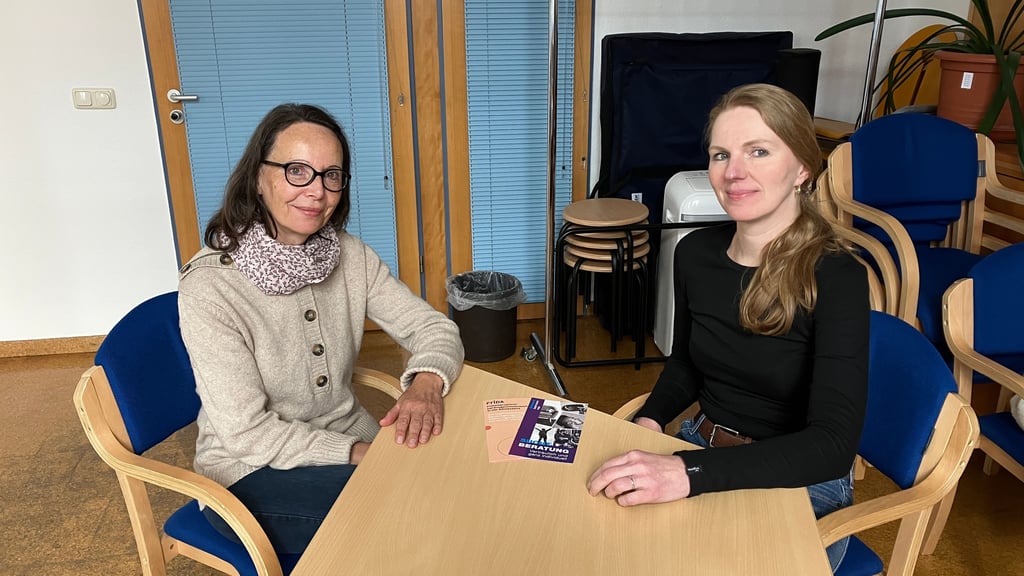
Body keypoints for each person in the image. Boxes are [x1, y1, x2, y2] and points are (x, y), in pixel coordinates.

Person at [586, 84, 869, 573]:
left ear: (802, 167)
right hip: (702, 444)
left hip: (800, 480)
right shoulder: (695, 253)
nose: (734, 172)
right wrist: (652, 420)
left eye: (759, 151)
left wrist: (685, 471)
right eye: (721, 154)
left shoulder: (837, 274)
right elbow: (687, 363)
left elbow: (832, 445)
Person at [177, 103, 464, 555]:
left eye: (332, 175)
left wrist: (426, 381)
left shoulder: (350, 256)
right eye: (297, 171)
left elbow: (433, 328)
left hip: (348, 437)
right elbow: (246, 434)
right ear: (258, 176)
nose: (317, 191)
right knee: (408, 524)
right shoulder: (210, 286)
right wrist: (355, 454)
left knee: (455, 482)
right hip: (248, 471)